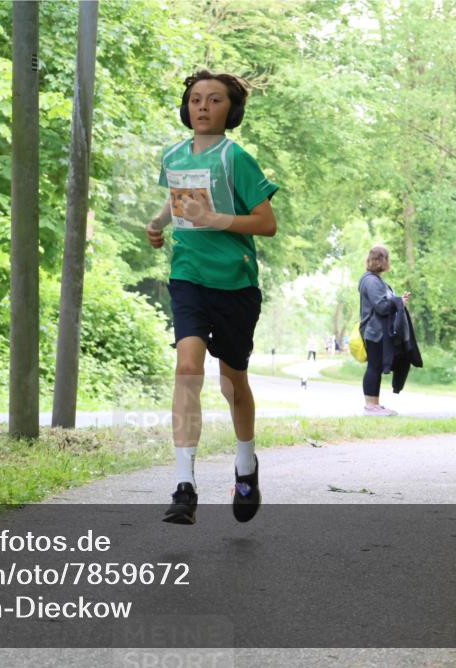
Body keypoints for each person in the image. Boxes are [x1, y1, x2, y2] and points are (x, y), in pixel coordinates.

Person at [146, 69, 279, 525]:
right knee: (187, 368)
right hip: (188, 276)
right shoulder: (173, 156)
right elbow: (178, 197)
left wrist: (215, 218)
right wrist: (159, 223)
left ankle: (246, 465)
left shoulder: (235, 159)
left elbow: (266, 223)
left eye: (214, 100)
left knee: (232, 383)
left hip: (236, 284)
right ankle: (184, 486)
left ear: (231, 110)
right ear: (186, 108)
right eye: (196, 99)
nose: (202, 106)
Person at [358, 245, 413, 416]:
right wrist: (398, 303)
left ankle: (375, 404)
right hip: (374, 332)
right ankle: (370, 406)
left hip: (379, 331)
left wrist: (399, 300)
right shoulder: (371, 281)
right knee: (374, 367)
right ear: (382, 260)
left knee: (376, 366)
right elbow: (381, 307)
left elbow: (384, 302)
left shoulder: (375, 279)